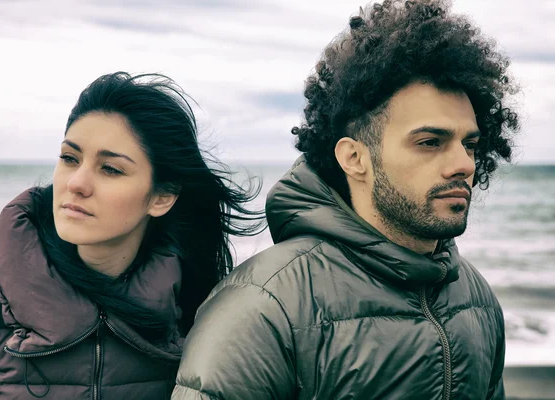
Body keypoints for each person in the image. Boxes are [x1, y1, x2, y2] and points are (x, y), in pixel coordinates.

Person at [172, 1, 519, 399]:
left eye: (470, 144)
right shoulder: (265, 305)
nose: (463, 164)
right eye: (430, 142)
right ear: (354, 158)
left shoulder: (476, 299)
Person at [0, 72, 263, 399]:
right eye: (70, 158)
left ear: (162, 197)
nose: (76, 183)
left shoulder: (197, 309)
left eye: (110, 169)